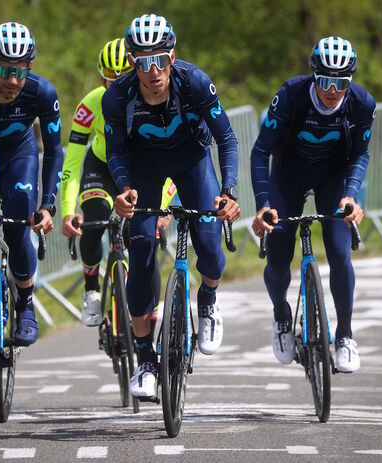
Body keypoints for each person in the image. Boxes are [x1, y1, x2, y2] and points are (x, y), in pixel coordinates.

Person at [103, 14, 241, 398]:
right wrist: (125, 187)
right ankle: (146, 359)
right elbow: (115, 152)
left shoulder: (194, 82)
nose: (152, 71)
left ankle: (208, 300)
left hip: (192, 159)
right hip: (143, 166)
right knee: (142, 245)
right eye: (143, 61)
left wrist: (228, 192)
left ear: (172, 57)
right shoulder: (118, 96)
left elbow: (226, 140)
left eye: (160, 59)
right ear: (132, 62)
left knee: (211, 242)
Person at [250, 36, 376, 373]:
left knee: (338, 251)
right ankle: (280, 315)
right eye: (325, 81)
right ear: (313, 76)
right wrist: (263, 204)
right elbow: (261, 151)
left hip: (332, 178)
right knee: (278, 256)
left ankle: (345, 335)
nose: (333, 90)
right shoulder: (290, 96)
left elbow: (359, 155)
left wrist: (351, 193)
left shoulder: (362, 104)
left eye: (341, 82)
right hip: (287, 176)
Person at [60, 38, 176, 327]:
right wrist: (66, 210)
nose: (121, 87)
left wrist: (162, 206)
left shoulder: (155, 99)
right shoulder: (89, 105)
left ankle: (150, 312)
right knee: (95, 215)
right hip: (101, 165)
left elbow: (173, 162)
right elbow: (72, 162)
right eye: (113, 82)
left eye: (126, 78)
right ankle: (91, 290)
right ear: (102, 80)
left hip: (140, 168)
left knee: (143, 236)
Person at [0, 22, 63, 346]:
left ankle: (26, 305)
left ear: (29, 67)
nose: (12, 81)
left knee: (20, 220)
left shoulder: (42, 92)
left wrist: (47, 206)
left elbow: (54, 152)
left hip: (20, 155)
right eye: (5, 69)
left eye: (20, 71)